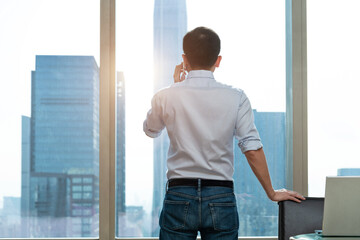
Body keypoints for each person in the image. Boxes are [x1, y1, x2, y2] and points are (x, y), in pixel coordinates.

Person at [143, 26, 305, 240]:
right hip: (220, 195)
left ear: (184, 59)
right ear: (218, 60)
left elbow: (151, 130)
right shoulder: (236, 97)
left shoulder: (165, 96)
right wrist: (272, 192)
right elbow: (252, 148)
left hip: (179, 194)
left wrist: (175, 86)